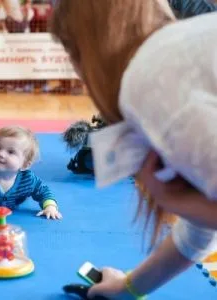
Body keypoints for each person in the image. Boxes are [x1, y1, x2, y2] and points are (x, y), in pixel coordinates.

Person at [50, 1, 217, 299]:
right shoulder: (186, 44)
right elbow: (199, 232)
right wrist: (125, 289)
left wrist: (172, 199)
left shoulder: (149, 78)